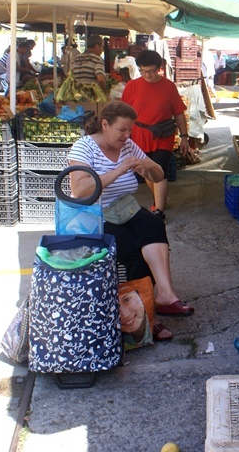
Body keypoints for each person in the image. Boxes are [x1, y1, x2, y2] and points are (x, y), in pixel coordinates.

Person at [67, 100, 194, 316]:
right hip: (94, 214)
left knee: (154, 225)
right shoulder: (83, 147)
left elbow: (158, 176)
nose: (127, 135)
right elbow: (81, 190)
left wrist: (151, 167)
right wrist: (120, 169)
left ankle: (165, 294)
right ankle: (141, 314)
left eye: (130, 130)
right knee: (131, 248)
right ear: (105, 125)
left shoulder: (127, 146)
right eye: (122, 130)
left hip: (124, 208)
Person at [121, 50, 190, 221]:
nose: (147, 75)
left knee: (159, 169)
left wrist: (184, 137)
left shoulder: (168, 86)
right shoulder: (132, 86)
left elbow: (179, 113)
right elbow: (124, 113)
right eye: (143, 71)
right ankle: (161, 197)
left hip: (163, 135)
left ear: (159, 68)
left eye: (151, 71)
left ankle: (158, 211)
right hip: (139, 134)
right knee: (144, 170)